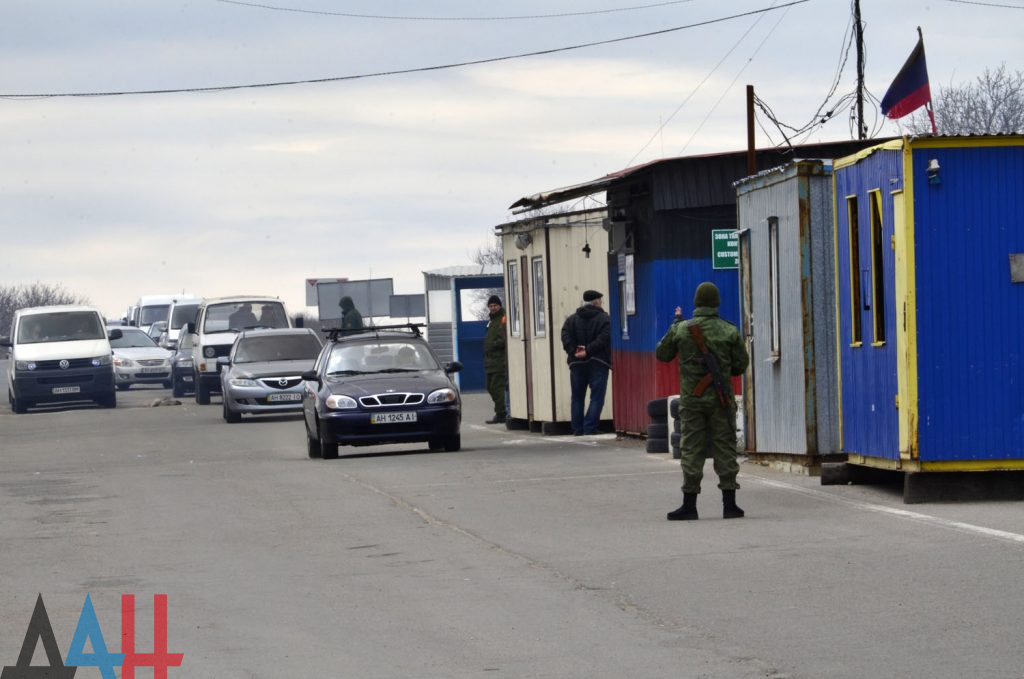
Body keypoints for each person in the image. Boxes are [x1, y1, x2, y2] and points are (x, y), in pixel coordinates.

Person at [656, 281, 749, 521]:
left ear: (696, 302)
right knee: (725, 448)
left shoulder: (682, 329)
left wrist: (675, 324)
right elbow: (740, 365)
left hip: (692, 401)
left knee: (691, 450)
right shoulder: (729, 330)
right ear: (716, 303)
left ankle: (689, 505)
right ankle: (730, 505)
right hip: (721, 401)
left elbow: (662, 354)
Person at [560, 289, 611, 436]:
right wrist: (588, 350)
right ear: (596, 302)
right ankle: (589, 427)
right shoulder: (605, 319)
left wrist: (574, 351)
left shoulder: (571, 320)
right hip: (598, 362)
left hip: (577, 364)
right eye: (601, 300)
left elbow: (565, 336)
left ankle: (577, 429)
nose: (602, 303)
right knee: (597, 397)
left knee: (577, 397)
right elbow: (604, 338)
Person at [483, 295, 507, 424]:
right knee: (490, 387)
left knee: (497, 387)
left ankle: (501, 413)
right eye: (491, 306)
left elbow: (504, 338)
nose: (492, 308)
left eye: (495, 305)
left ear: (499, 306)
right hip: (490, 362)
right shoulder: (491, 321)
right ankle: (501, 411)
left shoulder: (503, 319)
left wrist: (494, 344)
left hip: (499, 361)